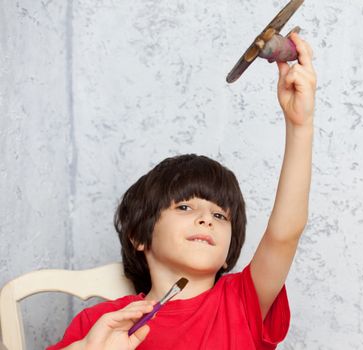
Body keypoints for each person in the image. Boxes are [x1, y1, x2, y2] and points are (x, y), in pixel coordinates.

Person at [47, 33, 316, 350]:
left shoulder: (242, 301)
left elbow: (284, 234)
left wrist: (300, 125)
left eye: (219, 214)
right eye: (185, 208)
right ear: (139, 235)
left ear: (229, 253)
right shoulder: (99, 323)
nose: (207, 219)